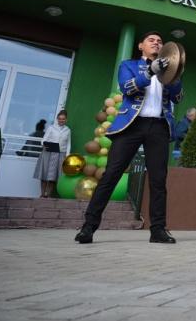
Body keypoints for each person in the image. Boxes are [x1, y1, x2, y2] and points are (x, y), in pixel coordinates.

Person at [75, 31, 183, 244]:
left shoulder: (168, 71)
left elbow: (178, 97)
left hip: (159, 126)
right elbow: (127, 88)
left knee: (158, 180)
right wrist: (150, 72)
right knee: (111, 175)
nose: (156, 43)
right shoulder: (128, 65)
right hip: (131, 125)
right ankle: (88, 227)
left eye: (160, 41)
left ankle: (158, 230)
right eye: (151, 40)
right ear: (141, 45)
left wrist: (176, 73)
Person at [33, 111, 71, 198]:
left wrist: (67, 154)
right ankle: (42, 194)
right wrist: (45, 145)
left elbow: (68, 143)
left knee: (53, 177)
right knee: (44, 174)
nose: (61, 120)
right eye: (59, 119)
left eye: (63, 119)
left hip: (60, 154)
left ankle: (48, 195)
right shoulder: (51, 128)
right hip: (48, 152)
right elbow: (43, 140)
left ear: (66, 120)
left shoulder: (68, 130)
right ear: (57, 119)